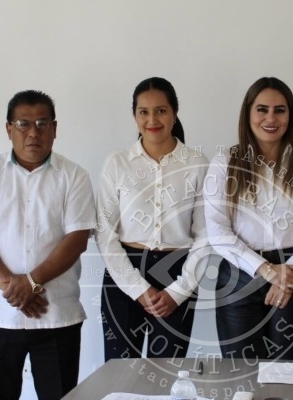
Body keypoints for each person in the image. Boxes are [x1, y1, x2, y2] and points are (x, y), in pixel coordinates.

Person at [0, 90, 95, 400]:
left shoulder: (74, 176)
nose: (33, 132)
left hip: (57, 314)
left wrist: (32, 282)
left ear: (55, 129)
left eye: (42, 124)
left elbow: (77, 239)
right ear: (9, 129)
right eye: (23, 124)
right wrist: (14, 288)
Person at [204, 77, 293, 361]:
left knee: (291, 373)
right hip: (239, 275)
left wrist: (290, 275)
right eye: (262, 109)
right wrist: (267, 270)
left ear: (290, 115)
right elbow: (217, 230)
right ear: (248, 114)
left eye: (279, 110)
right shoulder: (225, 162)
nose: (271, 119)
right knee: (241, 371)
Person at [95, 77, 209, 361]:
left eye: (161, 111)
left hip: (178, 273)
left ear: (174, 113)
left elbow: (206, 235)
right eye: (143, 112)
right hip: (124, 273)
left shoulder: (198, 163)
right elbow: (105, 232)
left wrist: (178, 292)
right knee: (120, 372)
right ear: (134, 115)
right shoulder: (117, 163)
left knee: (166, 374)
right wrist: (138, 288)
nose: (152, 120)